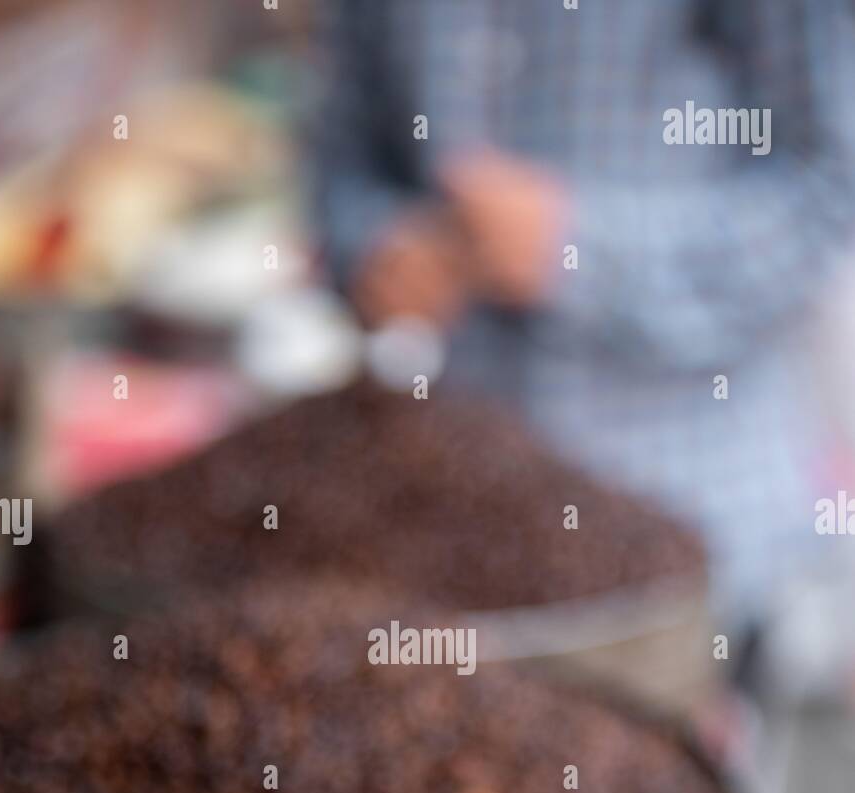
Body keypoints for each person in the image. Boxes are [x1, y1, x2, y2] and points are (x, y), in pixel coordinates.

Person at [313, 0, 855, 635]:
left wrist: (576, 248)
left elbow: (827, 191)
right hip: (448, 533)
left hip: (693, 541)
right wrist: (374, 247)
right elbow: (339, 162)